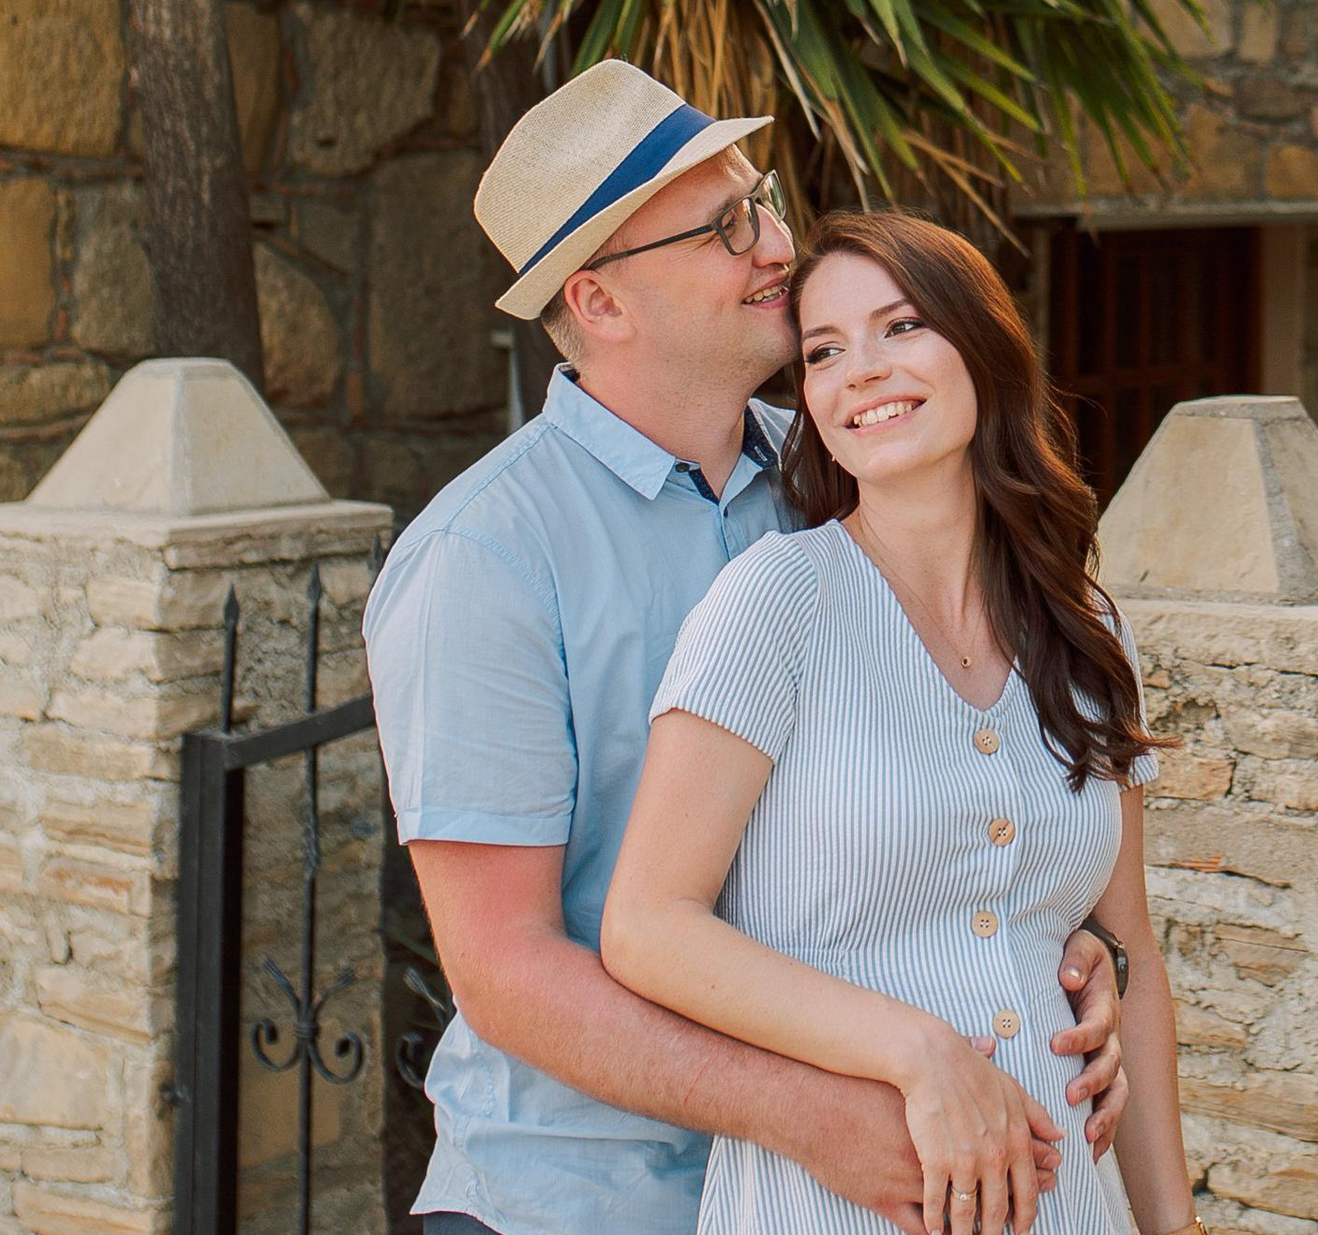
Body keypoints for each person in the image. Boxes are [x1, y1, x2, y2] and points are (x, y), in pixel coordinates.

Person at [364, 64, 1127, 1235]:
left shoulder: (848, 471)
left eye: (760, 199)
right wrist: (804, 1114)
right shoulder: (480, 560)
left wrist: (1059, 948)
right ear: (600, 301)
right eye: (724, 226)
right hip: (587, 1202)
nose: (777, 244)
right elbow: (506, 971)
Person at [599, 210, 1196, 1235]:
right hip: (841, 1208)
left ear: (983, 345)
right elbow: (647, 927)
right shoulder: (775, 603)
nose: (862, 371)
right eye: (824, 352)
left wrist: (1176, 1227)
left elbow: (1128, 950)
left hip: (1069, 1206)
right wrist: (915, 1049)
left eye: (902, 326)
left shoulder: (1086, 627)